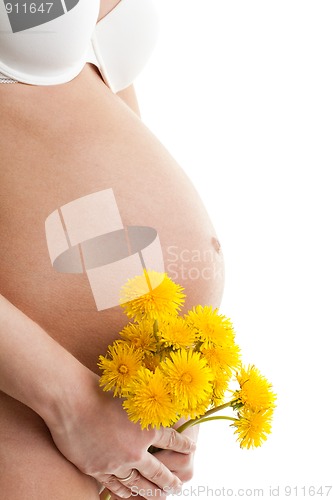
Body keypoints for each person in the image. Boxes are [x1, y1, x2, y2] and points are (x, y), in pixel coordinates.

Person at [0, 0, 225, 498]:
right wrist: (70, 403)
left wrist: (168, 367)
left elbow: (101, 120)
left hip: (121, 404)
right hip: (25, 395)